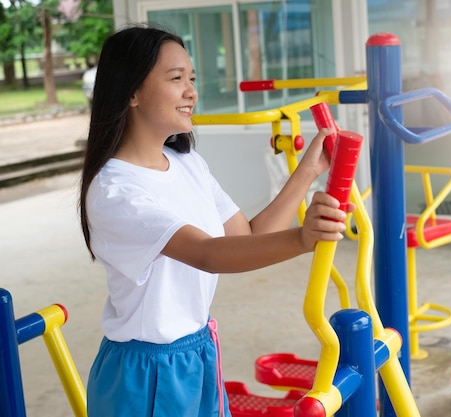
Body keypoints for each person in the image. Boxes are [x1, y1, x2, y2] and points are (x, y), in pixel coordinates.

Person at [78, 24, 350, 417]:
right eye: (176, 79)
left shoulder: (188, 163)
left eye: (192, 78)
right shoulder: (116, 191)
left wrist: (309, 171)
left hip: (198, 351)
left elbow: (248, 235)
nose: (192, 91)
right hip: (147, 372)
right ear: (132, 92)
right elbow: (208, 253)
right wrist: (303, 239)